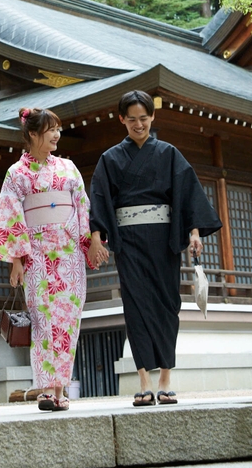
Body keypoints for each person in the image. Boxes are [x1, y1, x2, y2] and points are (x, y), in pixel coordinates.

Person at [89, 91, 222, 407]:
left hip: (164, 240)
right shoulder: (110, 159)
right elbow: (100, 198)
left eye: (144, 119)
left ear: (153, 118)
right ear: (122, 119)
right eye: (132, 119)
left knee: (166, 303)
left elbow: (186, 195)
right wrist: (96, 237)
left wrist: (194, 233)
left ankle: (164, 378)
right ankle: (144, 382)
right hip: (130, 241)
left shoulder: (169, 154)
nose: (138, 125)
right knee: (136, 305)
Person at [0, 107, 108, 412]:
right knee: (43, 323)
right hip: (38, 257)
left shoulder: (68, 168)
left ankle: (61, 388)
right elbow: (11, 215)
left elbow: (83, 206)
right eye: (50, 130)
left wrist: (92, 242)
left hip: (68, 256)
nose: (56, 135)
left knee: (67, 322)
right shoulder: (17, 173)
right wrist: (16, 260)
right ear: (32, 134)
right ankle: (45, 389)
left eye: (58, 129)